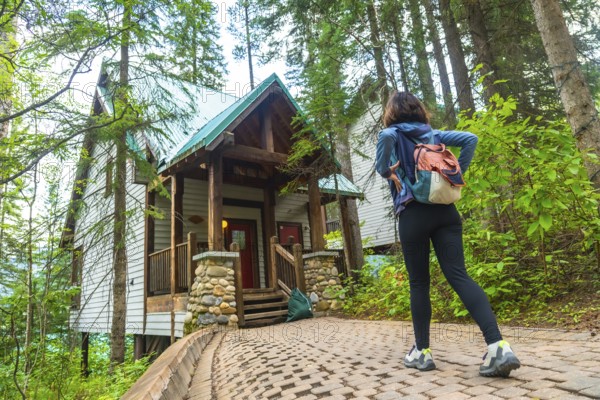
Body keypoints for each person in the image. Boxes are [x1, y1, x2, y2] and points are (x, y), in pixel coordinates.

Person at [375, 91, 521, 377]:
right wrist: (455, 175)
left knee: (419, 284)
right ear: (419, 111)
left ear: (392, 113)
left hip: (413, 213)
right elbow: (471, 139)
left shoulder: (391, 133)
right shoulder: (433, 135)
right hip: (446, 213)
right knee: (460, 275)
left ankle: (423, 353)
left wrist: (384, 169)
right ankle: (498, 347)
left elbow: (384, 143)